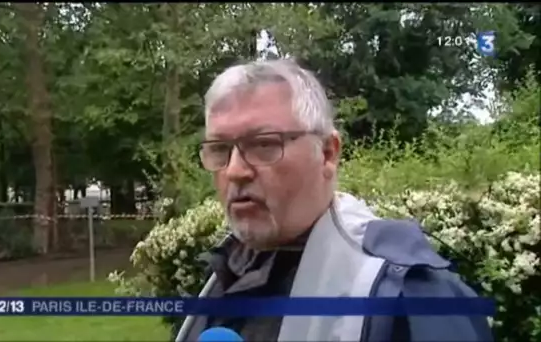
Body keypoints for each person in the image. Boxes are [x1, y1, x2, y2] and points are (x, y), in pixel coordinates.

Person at [175, 59, 493, 342]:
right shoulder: (229, 267)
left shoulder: (408, 294)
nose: (234, 170)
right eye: (219, 149)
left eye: (263, 144)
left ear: (328, 153)